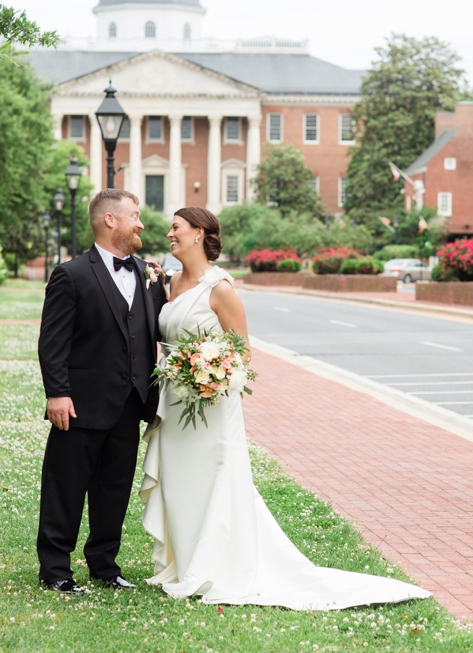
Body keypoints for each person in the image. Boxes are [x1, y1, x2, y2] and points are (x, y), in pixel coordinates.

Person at [139, 207, 431, 610]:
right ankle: (185, 561)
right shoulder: (169, 283)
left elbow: (242, 352)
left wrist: (207, 372)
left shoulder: (219, 289)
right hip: (173, 403)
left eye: (176, 227)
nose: (169, 233)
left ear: (198, 234)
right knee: (177, 481)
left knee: (213, 481)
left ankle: (214, 566)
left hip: (210, 405)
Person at [36, 188, 168, 594]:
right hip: (79, 403)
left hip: (130, 404)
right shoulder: (71, 275)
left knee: (113, 488)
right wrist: (57, 393)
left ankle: (105, 566)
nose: (141, 223)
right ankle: (56, 568)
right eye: (135, 215)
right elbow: (52, 342)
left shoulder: (150, 277)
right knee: (66, 485)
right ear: (110, 220)